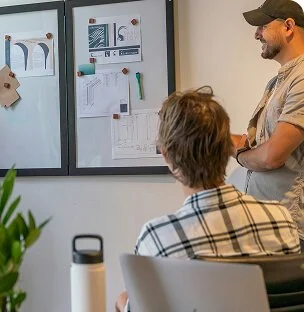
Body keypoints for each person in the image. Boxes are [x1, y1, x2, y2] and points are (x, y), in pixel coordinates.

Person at [116, 87, 300, 312]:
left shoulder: (158, 238)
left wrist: (122, 302)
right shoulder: (281, 220)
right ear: (227, 149)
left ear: (166, 155)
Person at [231, 0, 304, 220]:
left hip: (291, 228)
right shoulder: (277, 83)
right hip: (270, 223)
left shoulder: (302, 78)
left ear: (288, 27)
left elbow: (272, 157)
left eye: (262, 26)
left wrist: (240, 155)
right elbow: (260, 147)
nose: (256, 35)